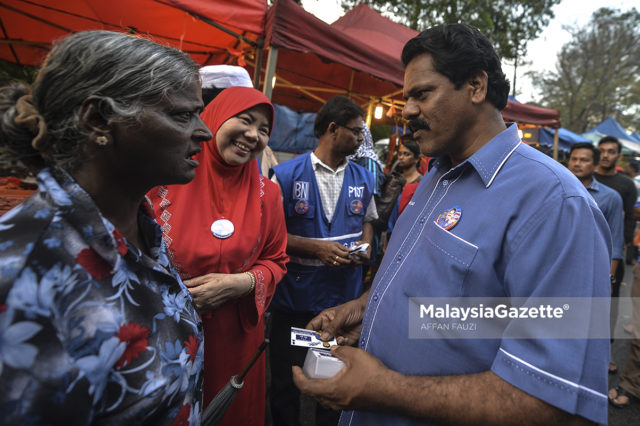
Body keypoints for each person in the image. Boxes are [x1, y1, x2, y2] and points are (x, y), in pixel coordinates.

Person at [292, 24, 611, 425]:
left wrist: (385, 389)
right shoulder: (438, 176)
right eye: (406, 97)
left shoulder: (556, 205)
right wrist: (365, 310)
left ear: (476, 86)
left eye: (422, 94)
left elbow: (556, 402)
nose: (407, 111)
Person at [0, 30, 211, 424]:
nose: (204, 131)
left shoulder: (141, 231)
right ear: (98, 118)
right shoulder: (22, 275)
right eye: (182, 114)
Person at [148, 86, 288, 426]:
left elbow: (277, 260)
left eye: (264, 129)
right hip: (168, 336)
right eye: (245, 120)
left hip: (236, 342)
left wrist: (243, 282)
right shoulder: (164, 181)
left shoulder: (267, 194)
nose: (253, 135)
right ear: (213, 118)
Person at [269, 95, 377, 425]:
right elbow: (270, 237)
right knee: (286, 383)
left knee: (331, 384)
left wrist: (366, 244)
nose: (361, 139)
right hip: (295, 302)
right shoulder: (285, 175)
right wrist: (317, 249)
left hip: (341, 304)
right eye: (357, 131)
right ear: (333, 129)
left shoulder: (365, 178)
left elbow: (368, 222)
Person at [595, 135, 638, 374]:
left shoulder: (626, 185)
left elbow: (630, 219)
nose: (606, 155)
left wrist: (624, 251)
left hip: (612, 254)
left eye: (611, 151)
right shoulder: (583, 179)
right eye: (602, 151)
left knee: (609, 305)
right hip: (586, 252)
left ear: (618, 155)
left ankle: (606, 353)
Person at [568, 142, 623, 281]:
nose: (577, 163)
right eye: (574, 159)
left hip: (593, 267)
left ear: (596, 165)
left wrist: (609, 278)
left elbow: (615, 240)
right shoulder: (556, 190)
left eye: (584, 160)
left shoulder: (611, 197)